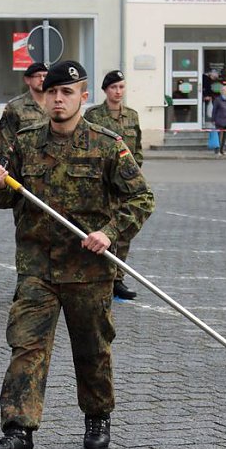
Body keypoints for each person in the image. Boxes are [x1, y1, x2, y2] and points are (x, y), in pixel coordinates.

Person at [0, 60, 155, 449]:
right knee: (27, 348)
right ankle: (18, 436)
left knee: (92, 350)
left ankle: (97, 416)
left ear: (82, 96)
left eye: (67, 92)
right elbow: (9, 199)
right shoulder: (24, 143)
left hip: (89, 270)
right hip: (38, 268)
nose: (58, 99)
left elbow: (141, 199)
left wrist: (110, 232)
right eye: (52, 93)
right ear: (43, 97)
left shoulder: (107, 144)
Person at [84, 70, 144, 300]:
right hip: (101, 183)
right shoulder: (94, 115)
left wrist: (133, 174)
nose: (117, 92)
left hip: (124, 184)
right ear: (105, 90)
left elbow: (136, 148)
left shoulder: (132, 116)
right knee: (99, 228)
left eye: (121, 87)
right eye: (113, 88)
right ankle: (99, 277)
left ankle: (118, 278)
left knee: (123, 230)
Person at [0, 61, 48, 161]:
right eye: (37, 76)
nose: (42, 79)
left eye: (45, 76)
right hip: (25, 165)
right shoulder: (15, 106)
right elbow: (6, 142)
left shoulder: (56, 104)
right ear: (27, 80)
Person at [211, 83, 226, 156]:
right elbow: (214, 110)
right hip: (219, 121)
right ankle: (217, 151)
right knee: (219, 137)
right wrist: (213, 120)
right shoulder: (218, 100)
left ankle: (222, 150)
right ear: (222, 92)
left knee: (224, 138)